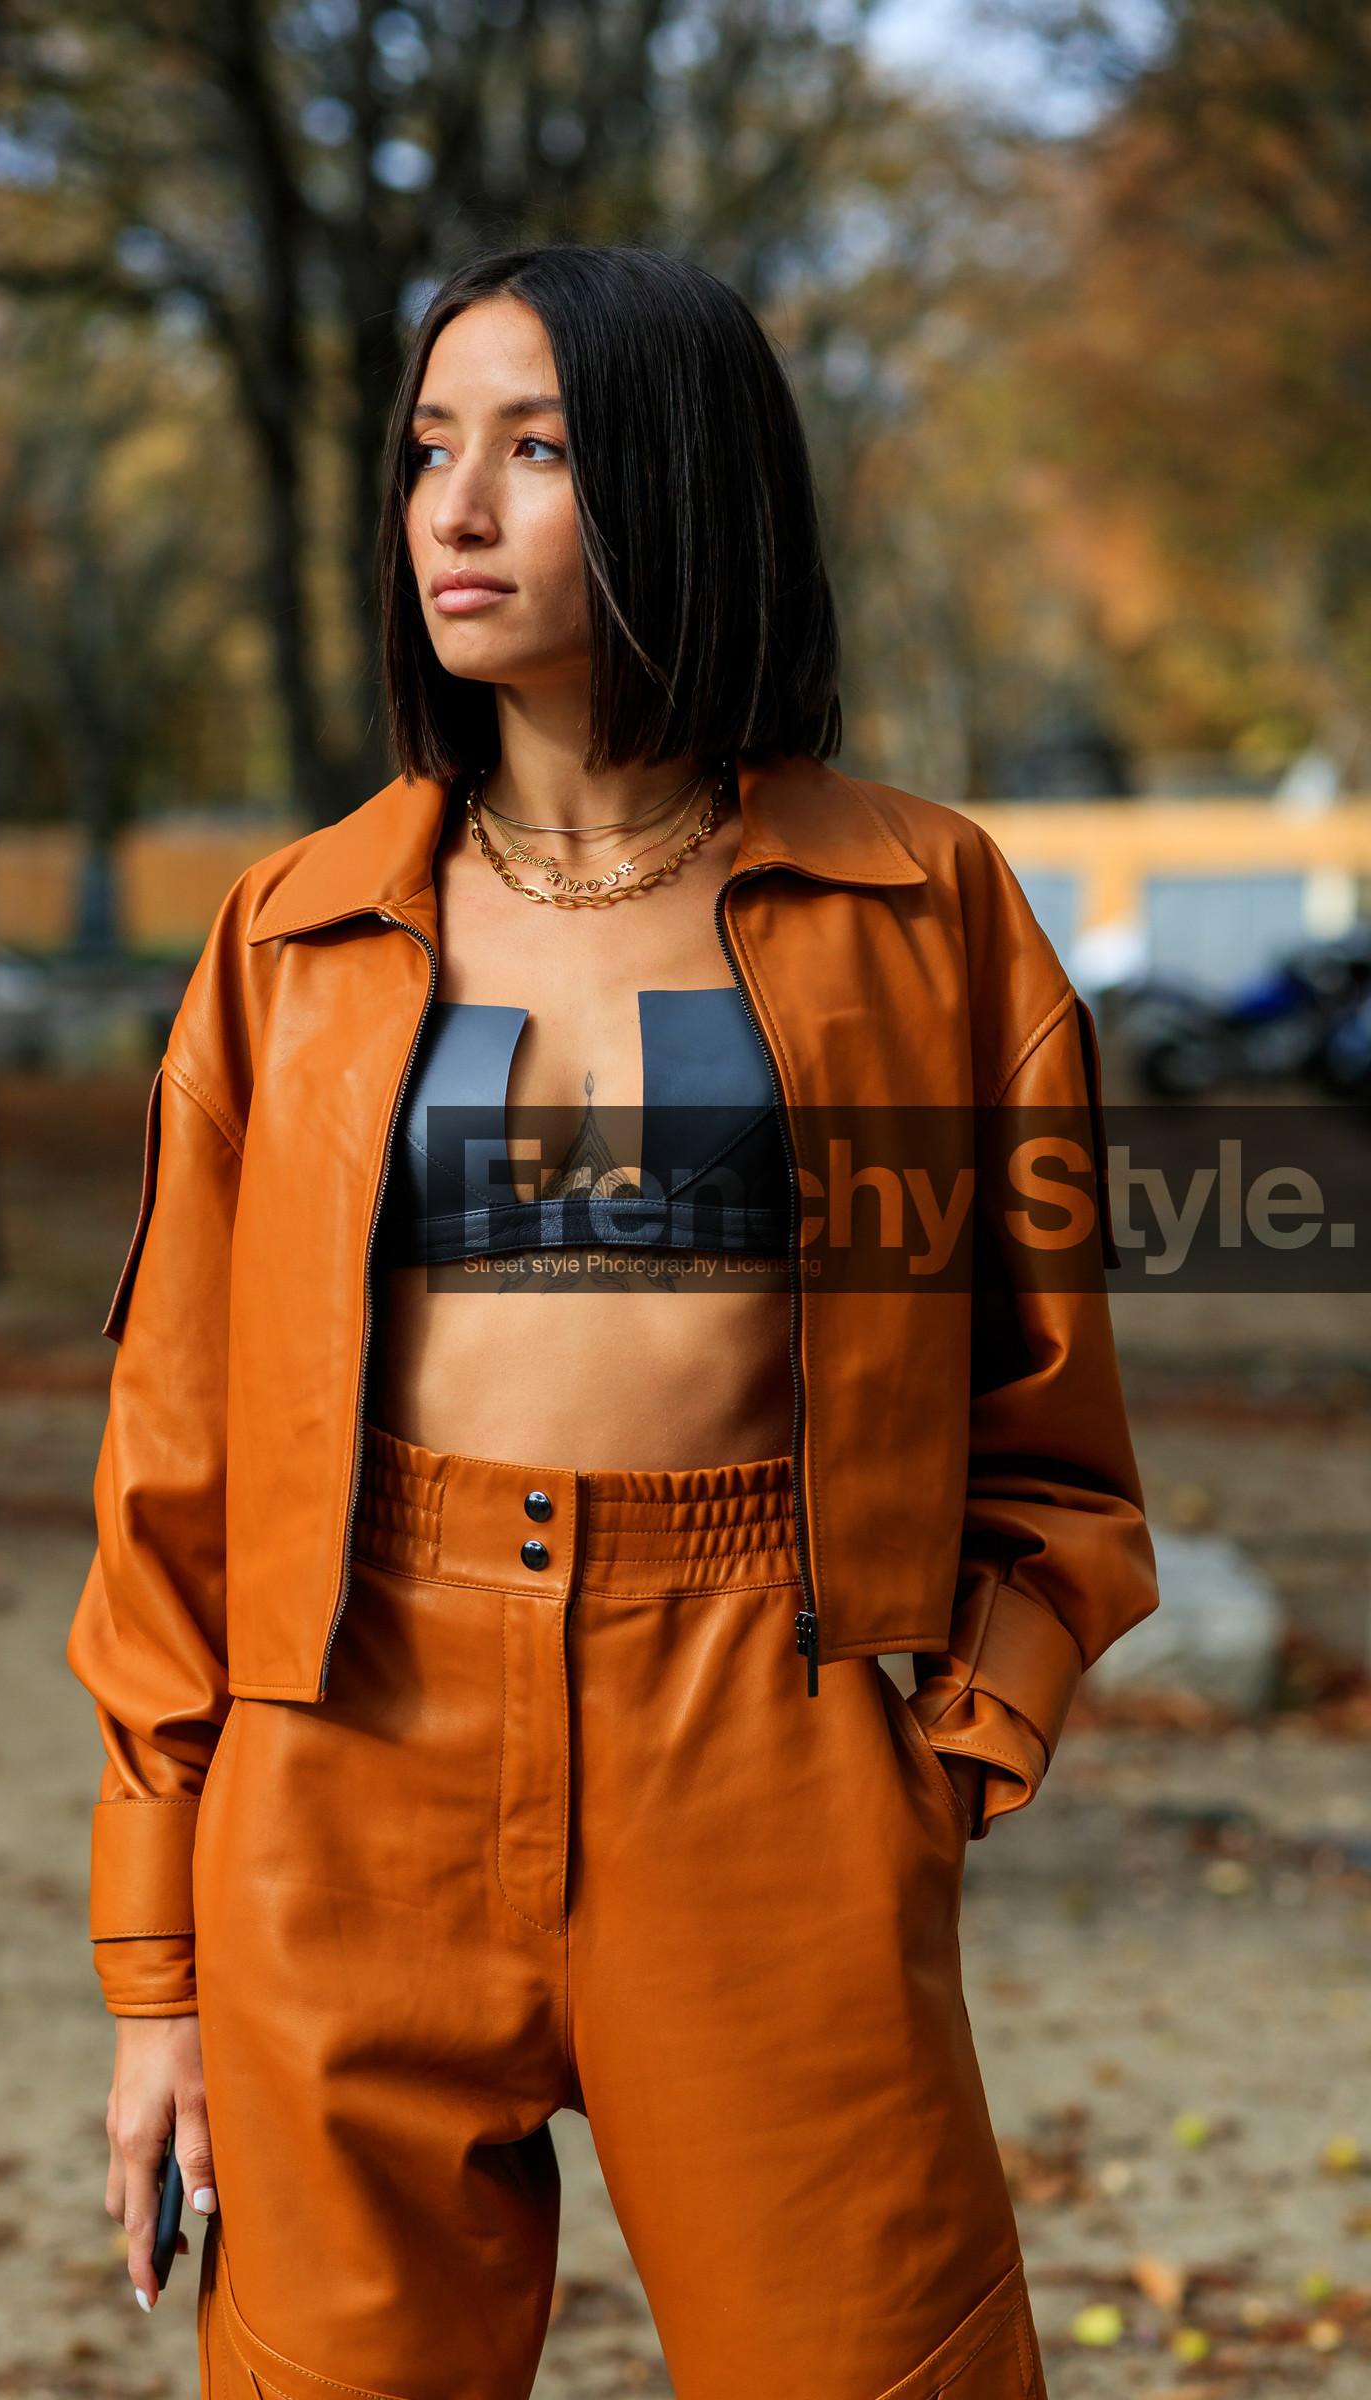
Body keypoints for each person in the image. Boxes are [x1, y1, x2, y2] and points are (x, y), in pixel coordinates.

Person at [68, 245, 1156, 2400]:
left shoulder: (919, 907)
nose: (454, 511)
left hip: (765, 1749)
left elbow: (1048, 1433)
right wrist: (155, 1972)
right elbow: (176, 1467)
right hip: (343, 1746)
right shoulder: (288, 938)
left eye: (536, 450)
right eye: (427, 452)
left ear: (677, 483)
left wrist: (943, 1750)